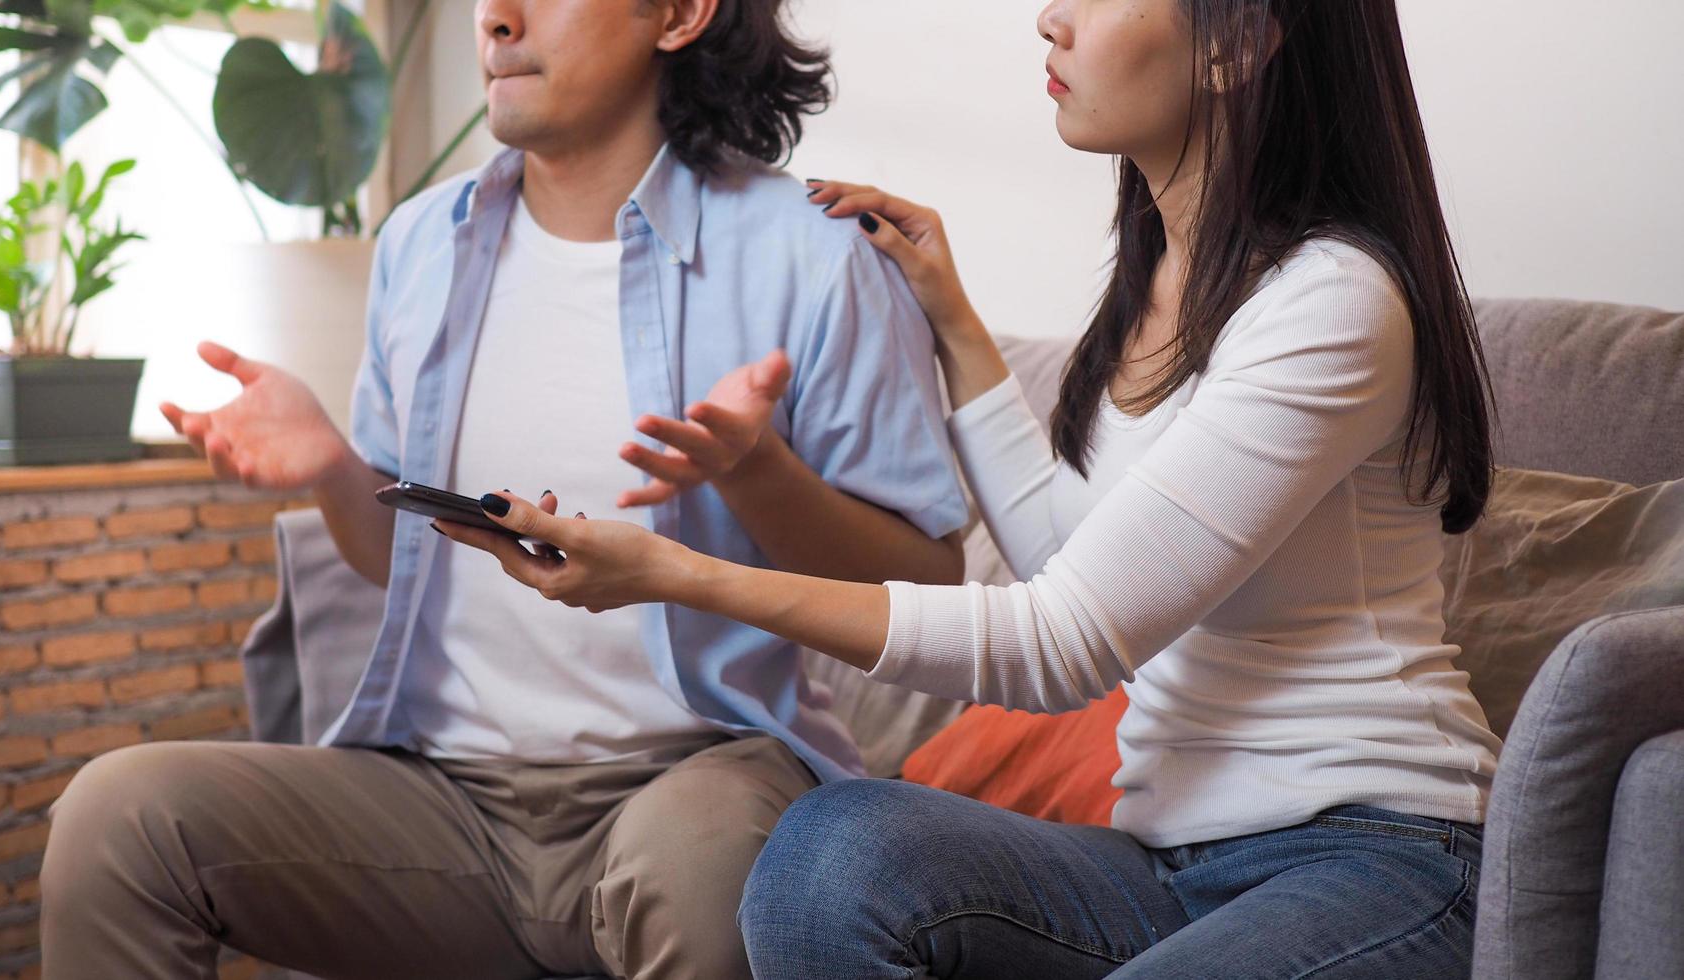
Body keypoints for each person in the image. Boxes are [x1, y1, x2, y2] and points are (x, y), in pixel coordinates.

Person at [436, 0, 1503, 976]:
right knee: (830, 850)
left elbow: (1062, 639)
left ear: (1238, 41)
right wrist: (950, 313)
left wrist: (678, 573)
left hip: (1380, 857)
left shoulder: (1334, 305)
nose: (1051, 18)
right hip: (1166, 861)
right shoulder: (1161, 286)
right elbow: (1063, 560)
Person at [36, 0, 969, 976]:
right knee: (118, 818)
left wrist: (755, 471)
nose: (497, 18)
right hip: (445, 804)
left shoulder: (815, 254)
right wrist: (333, 473)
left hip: (697, 774)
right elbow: (394, 554)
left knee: (699, 868)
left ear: (681, 15)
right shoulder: (421, 244)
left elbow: (928, 584)